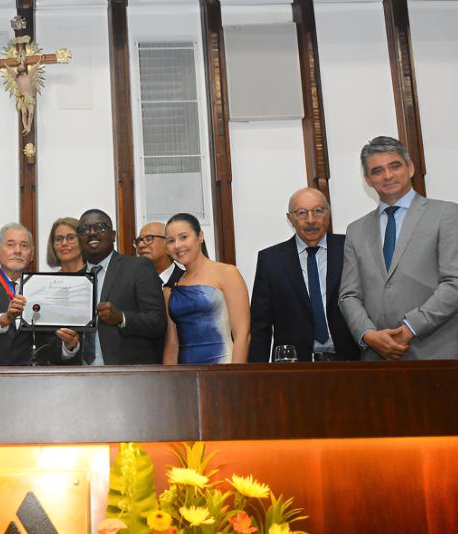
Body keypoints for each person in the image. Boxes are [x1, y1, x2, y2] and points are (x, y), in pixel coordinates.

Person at [340, 136, 458, 360]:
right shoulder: (356, 230)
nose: (388, 175)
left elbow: (454, 283)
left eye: (395, 166)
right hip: (377, 357)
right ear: (368, 180)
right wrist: (368, 334)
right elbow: (349, 295)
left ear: (410, 168)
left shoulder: (446, 214)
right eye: (377, 171)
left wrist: (410, 328)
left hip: (435, 355)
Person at [249, 188, 358, 362]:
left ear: (328, 214)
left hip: (350, 362)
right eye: (301, 213)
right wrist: (258, 373)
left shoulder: (350, 248)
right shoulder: (271, 260)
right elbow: (260, 325)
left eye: (318, 211)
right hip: (295, 366)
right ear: (290, 219)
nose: (311, 220)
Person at [0, 223, 80, 366]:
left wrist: (69, 347)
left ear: (32, 254)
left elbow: (51, 348)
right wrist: (4, 319)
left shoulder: (46, 289)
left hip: (34, 377)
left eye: (24, 245)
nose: (17, 251)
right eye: (10, 245)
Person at [75, 209, 167, 365]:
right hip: (81, 372)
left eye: (99, 227)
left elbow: (158, 322)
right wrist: (69, 346)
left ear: (113, 235)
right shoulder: (75, 280)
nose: (92, 233)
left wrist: (122, 318)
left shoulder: (138, 268)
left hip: (127, 373)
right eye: (84, 230)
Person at [162, 213, 249, 365]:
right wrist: (169, 378)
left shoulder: (227, 273)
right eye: (171, 240)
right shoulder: (171, 289)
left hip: (224, 368)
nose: (177, 245)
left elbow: (242, 335)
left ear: (200, 236)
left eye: (183, 237)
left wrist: (235, 375)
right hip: (185, 374)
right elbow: (172, 345)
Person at [135, 221, 183, 288]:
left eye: (148, 239)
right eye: (138, 241)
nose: (140, 245)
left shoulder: (190, 282)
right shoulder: (130, 281)